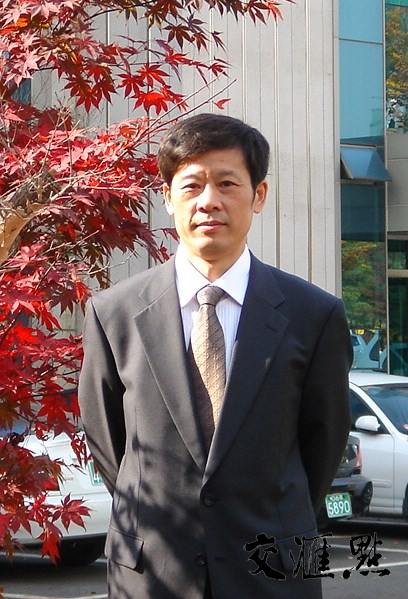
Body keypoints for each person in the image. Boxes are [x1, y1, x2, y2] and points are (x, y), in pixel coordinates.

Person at [78, 113, 352, 598]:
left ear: (259, 195)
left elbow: (323, 444)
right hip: (151, 572)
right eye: (191, 185)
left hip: (274, 571)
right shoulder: (113, 313)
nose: (209, 201)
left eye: (227, 183)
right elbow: (109, 443)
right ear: (167, 197)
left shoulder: (314, 315)